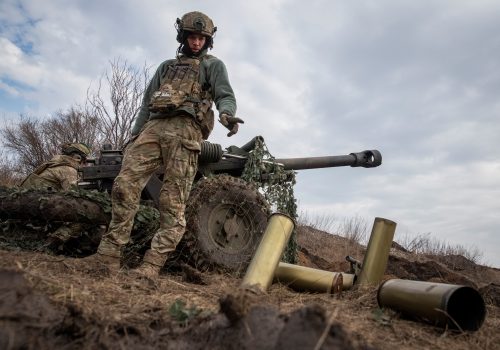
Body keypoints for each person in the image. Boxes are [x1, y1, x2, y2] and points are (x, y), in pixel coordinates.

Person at [85, 11, 244, 277]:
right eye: (192, 37)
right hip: (154, 128)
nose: (196, 42)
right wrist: (134, 136)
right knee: (124, 185)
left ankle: (152, 264)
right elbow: (146, 104)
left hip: (186, 132)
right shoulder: (166, 67)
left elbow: (224, 94)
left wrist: (227, 115)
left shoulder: (213, 65)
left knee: (173, 200)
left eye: (201, 38)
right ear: (184, 37)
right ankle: (108, 256)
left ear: (207, 41)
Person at [20, 142, 92, 246]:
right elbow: (76, 197)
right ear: (77, 157)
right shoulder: (68, 170)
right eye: (85, 161)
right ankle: (52, 243)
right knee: (86, 215)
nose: (85, 164)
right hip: (36, 208)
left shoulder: (55, 165)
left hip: (31, 205)